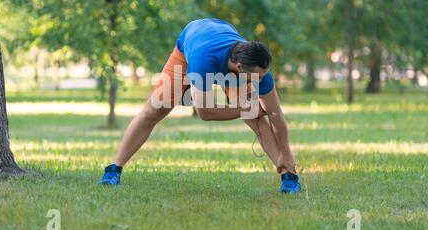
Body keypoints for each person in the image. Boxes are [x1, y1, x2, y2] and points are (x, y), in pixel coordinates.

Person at [98, 18, 301, 194]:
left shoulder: (258, 68)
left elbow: (276, 115)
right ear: (240, 68)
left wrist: (285, 153)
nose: (262, 80)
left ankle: (289, 178)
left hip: (218, 34)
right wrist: (247, 108)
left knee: (256, 117)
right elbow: (205, 111)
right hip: (191, 46)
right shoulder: (204, 61)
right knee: (155, 109)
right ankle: (114, 169)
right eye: (257, 77)